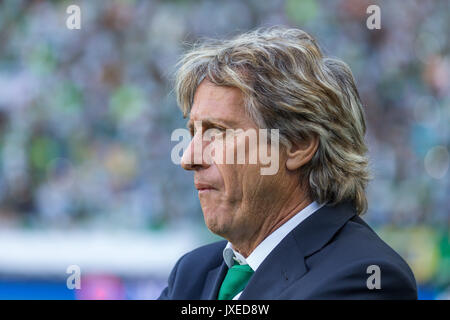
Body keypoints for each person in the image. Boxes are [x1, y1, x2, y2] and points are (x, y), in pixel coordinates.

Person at [158, 27, 417, 300]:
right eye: (193, 133)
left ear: (298, 144)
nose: (188, 158)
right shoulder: (192, 274)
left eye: (217, 132)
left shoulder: (366, 277)